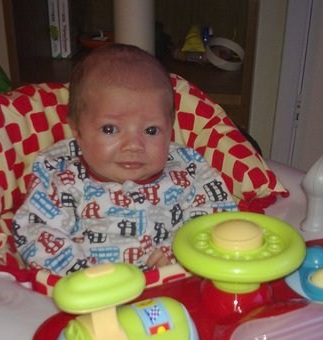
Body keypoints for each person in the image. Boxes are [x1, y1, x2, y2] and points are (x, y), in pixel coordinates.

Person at [12, 43, 237, 276]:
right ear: (77, 131)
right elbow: (35, 232)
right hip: (93, 299)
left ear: (170, 128)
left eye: (151, 131)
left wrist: (180, 250)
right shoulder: (64, 181)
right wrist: (85, 275)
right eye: (110, 129)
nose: (133, 146)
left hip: (174, 291)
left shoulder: (186, 170)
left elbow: (217, 218)